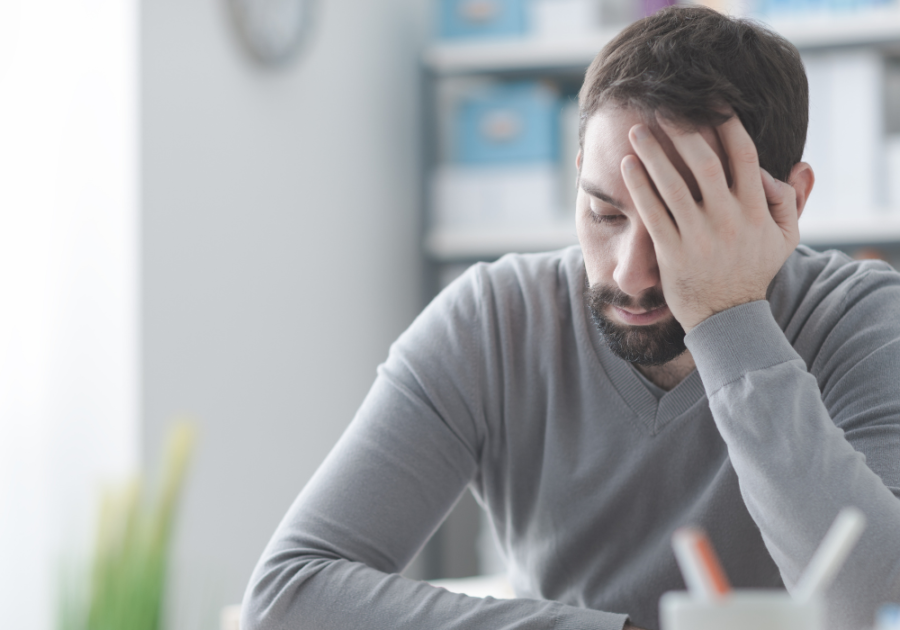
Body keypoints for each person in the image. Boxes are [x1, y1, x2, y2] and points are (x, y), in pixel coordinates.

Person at [241, 7, 900, 630]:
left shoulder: (860, 321)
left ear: (791, 199)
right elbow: (287, 597)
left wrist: (729, 317)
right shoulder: (493, 323)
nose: (631, 273)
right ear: (578, 170)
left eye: (682, 225)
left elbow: (879, 607)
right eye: (606, 213)